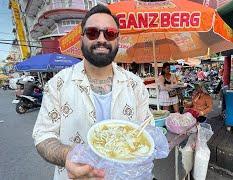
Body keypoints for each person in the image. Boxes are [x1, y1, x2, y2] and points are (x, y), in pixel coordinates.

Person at [32, 4, 153, 180]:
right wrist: (69, 156)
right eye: (92, 32)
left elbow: (146, 130)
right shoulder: (57, 84)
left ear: (117, 40)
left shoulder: (135, 85)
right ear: (82, 39)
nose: (101, 39)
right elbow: (43, 135)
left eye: (110, 33)